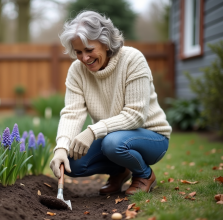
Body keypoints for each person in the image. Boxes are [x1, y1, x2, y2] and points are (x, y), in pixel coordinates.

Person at [49, 10, 172, 195]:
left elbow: (135, 115)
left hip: (151, 136)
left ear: (106, 43)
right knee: (71, 162)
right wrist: (61, 147)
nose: (84, 58)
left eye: (89, 50)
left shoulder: (132, 59)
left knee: (113, 144)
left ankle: (144, 174)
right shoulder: (77, 70)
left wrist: (92, 131)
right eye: (78, 52)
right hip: (111, 137)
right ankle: (120, 170)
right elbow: (72, 113)